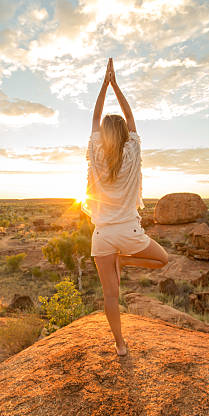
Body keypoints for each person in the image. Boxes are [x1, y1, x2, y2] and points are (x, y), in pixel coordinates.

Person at [81, 58, 169, 357]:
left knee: (110, 295)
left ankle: (120, 344)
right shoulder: (132, 152)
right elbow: (130, 117)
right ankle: (126, 261)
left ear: (104, 134)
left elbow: (94, 118)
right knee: (163, 260)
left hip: (103, 235)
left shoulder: (96, 154)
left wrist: (103, 86)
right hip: (130, 232)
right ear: (124, 134)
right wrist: (117, 85)